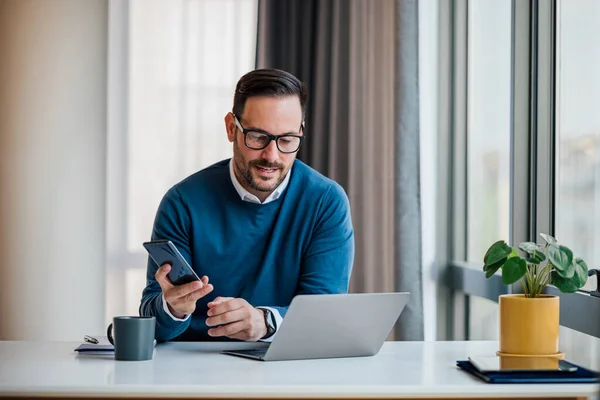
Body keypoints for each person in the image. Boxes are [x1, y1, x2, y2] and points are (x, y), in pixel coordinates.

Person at [140, 68, 355, 342]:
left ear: (301, 133)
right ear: (232, 128)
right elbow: (150, 320)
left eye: (287, 140)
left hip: (288, 367)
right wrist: (173, 308)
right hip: (193, 368)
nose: (271, 155)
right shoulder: (183, 202)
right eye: (257, 137)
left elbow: (326, 313)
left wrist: (266, 321)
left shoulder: (326, 202)